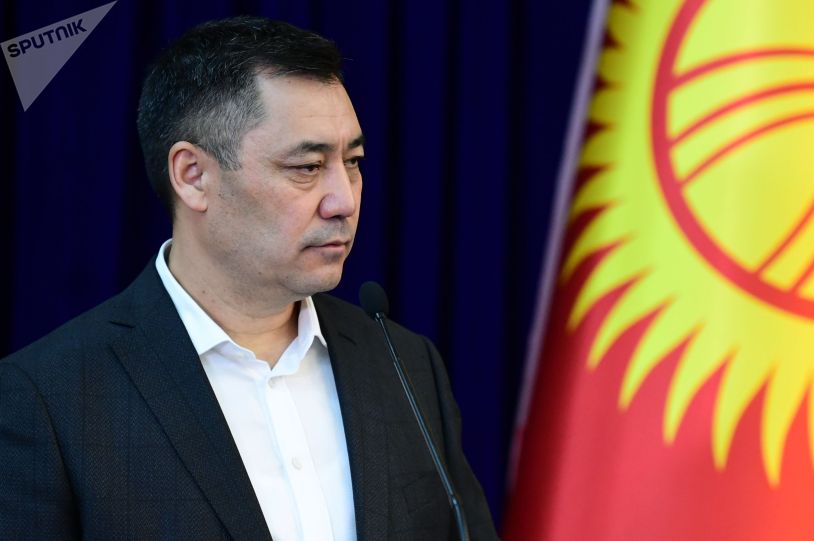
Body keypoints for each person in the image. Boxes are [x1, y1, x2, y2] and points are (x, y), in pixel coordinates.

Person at [0, 16, 497, 540]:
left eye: (352, 162)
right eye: (307, 167)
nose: (344, 201)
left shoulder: (405, 364)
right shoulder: (47, 398)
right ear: (193, 176)